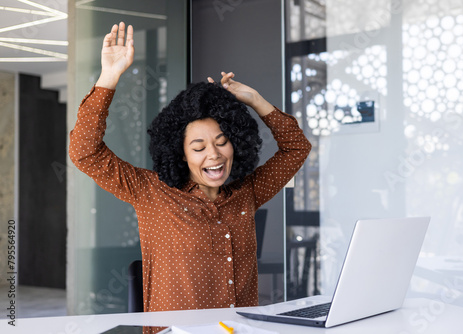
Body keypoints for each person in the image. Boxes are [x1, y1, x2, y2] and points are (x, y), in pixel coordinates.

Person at [69, 22, 311, 312]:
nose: (214, 155)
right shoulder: (150, 193)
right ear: (181, 154)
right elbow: (84, 152)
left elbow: (297, 148)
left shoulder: (247, 194)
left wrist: (255, 101)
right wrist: (109, 76)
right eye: (198, 148)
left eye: (222, 142)